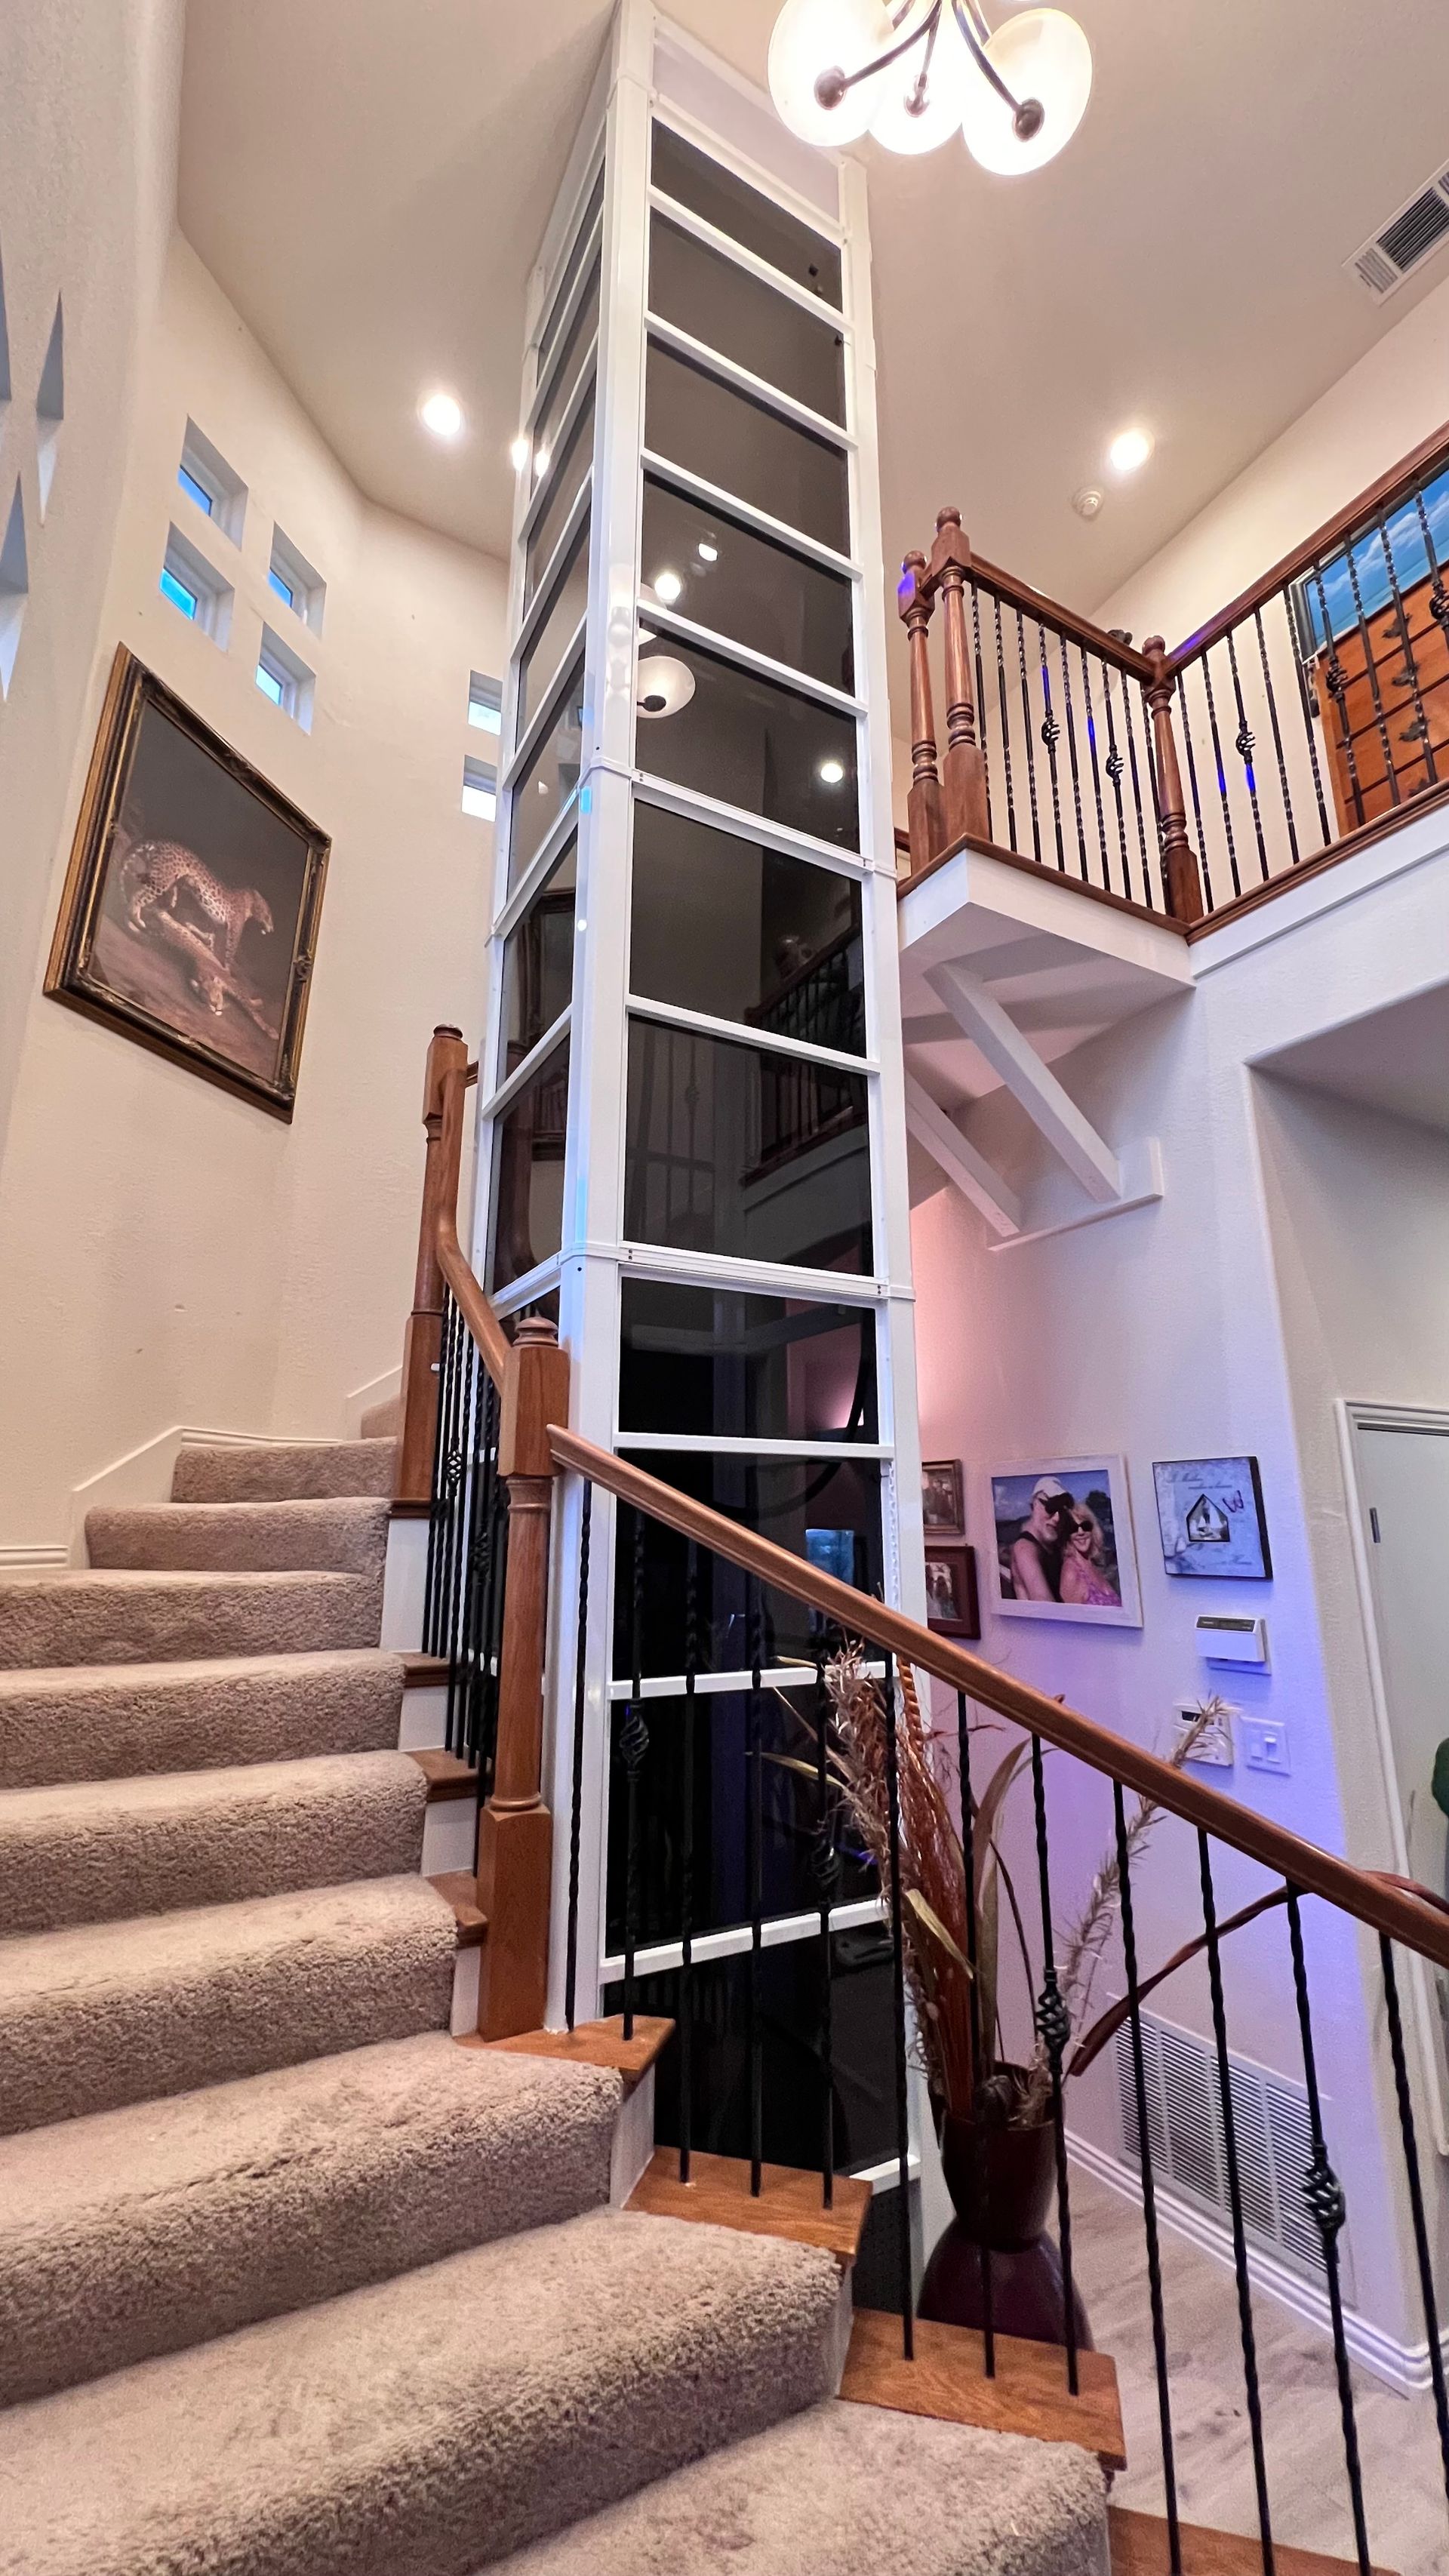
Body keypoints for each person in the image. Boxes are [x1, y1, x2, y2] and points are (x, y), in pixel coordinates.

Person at [1008, 1476, 1072, 1600]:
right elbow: (1046, 1607)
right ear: (1035, 1504)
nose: (1057, 1518)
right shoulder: (1025, 1548)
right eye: (1051, 1508)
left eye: (1061, 1511)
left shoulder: (1051, 1546)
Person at [1059, 1504, 1121, 1608]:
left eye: (1085, 1526)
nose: (1081, 1532)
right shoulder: (1071, 1573)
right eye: (1073, 1528)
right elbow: (1073, 1622)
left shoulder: (1092, 1565)